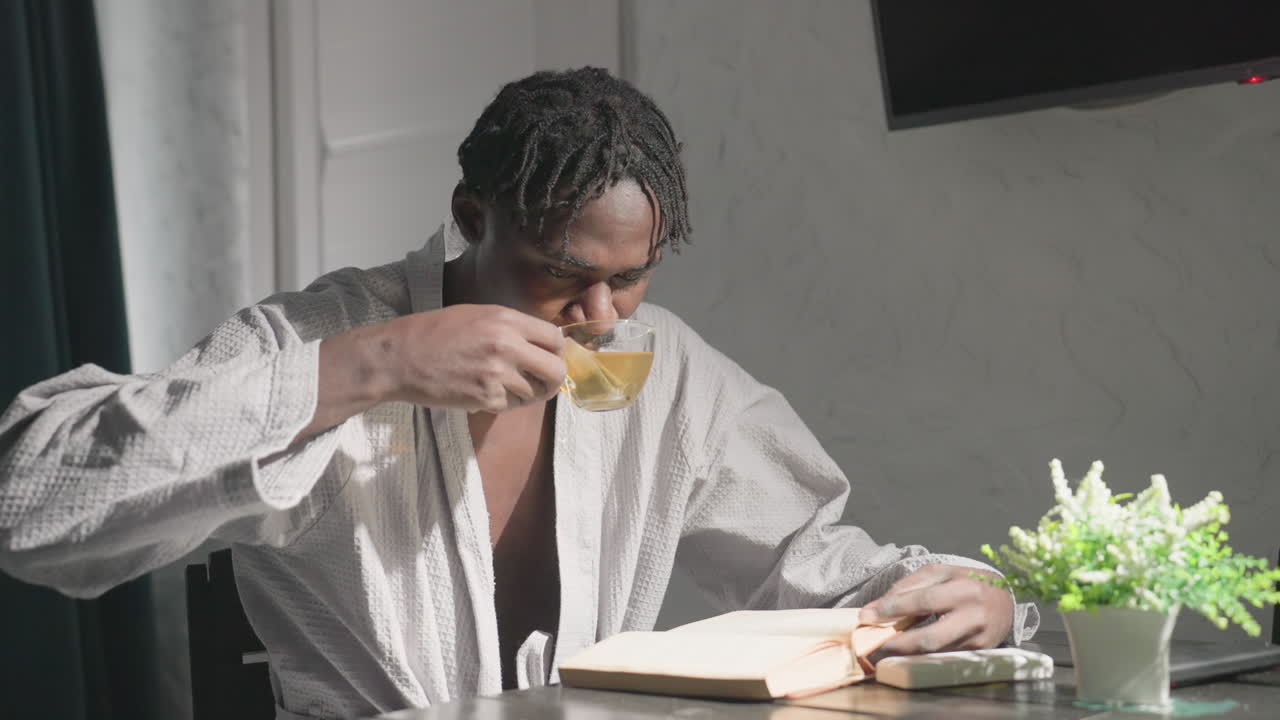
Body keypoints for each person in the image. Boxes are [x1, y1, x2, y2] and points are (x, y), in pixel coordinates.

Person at [0, 67, 1037, 720]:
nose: (599, 315)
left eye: (629, 275)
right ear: (470, 215)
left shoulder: (663, 373)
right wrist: (375, 366)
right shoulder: (326, 338)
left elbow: (807, 560)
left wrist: (959, 593)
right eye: (559, 270)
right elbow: (26, 502)